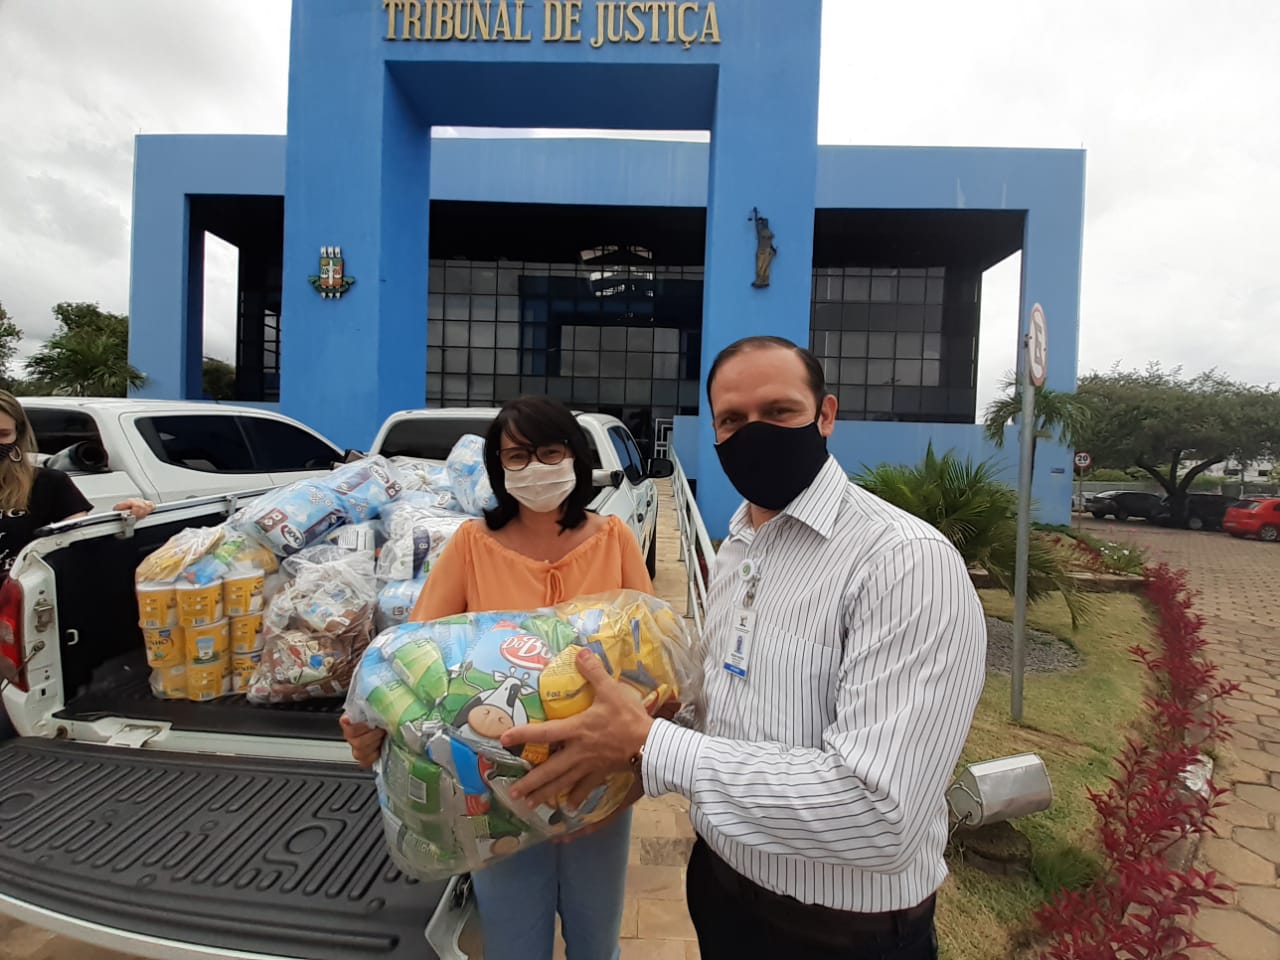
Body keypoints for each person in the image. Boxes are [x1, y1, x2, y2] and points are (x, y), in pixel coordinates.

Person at [501, 337, 988, 960]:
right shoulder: (736, 549)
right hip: (721, 892)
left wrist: (651, 745)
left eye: (779, 412)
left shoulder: (903, 563)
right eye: (732, 420)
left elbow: (879, 815)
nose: (753, 433)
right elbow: (723, 708)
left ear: (826, 415)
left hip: (840, 933)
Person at [340, 395, 654, 960]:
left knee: (595, 931)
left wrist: (640, 753)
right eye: (517, 456)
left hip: (596, 773)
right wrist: (372, 720)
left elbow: (650, 653)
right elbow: (416, 655)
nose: (535, 468)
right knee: (513, 935)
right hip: (499, 783)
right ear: (498, 467)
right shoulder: (470, 545)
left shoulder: (614, 538)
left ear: (575, 459)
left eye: (550, 452)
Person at [0, 390, 155, 725]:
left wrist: (119, 515)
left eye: (3, 435)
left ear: (19, 435)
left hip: (16, 621)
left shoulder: (47, 484)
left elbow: (77, 536)